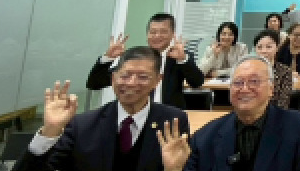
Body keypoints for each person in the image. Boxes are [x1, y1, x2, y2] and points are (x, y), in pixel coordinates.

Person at [16, 46, 189, 171]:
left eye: (143, 77)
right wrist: (49, 132)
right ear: (113, 79)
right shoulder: (82, 125)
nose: (131, 83)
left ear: (157, 81)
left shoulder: (172, 122)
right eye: (125, 75)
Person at [160, 56, 300, 171]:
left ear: (271, 89)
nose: (245, 89)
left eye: (254, 81)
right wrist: (174, 169)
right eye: (238, 82)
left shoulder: (298, 127)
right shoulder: (205, 137)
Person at [86, 13, 204, 109]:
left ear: (173, 34)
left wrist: (183, 60)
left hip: (169, 115)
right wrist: (108, 58)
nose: (157, 36)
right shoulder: (136, 56)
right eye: (153, 32)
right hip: (135, 114)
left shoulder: (180, 57)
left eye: (163, 32)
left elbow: (197, 82)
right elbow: (94, 84)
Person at [252, 30, 293, 109]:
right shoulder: (249, 70)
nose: (264, 51)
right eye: (259, 47)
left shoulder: (285, 71)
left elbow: (283, 102)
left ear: (277, 48)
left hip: (276, 113)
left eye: (269, 47)